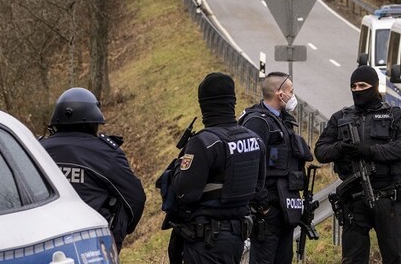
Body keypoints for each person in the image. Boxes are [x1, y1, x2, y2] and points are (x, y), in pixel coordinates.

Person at [315, 65, 401, 264]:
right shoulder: (341, 118)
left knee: (396, 258)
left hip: (388, 198)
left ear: (375, 87)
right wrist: (341, 148)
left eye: (363, 85)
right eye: (354, 86)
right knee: (353, 259)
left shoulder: (395, 115)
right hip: (354, 201)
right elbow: (320, 151)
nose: (358, 90)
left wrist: (370, 151)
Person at [168, 72, 267, 264]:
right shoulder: (255, 140)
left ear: (204, 105)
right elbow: (258, 187)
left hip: (206, 241)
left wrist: (176, 169)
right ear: (232, 101)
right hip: (237, 236)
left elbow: (184, 192)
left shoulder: (204, 143)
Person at [41, 87, 146, 251]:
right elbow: (135, 198)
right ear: (93, 122)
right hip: (92, 244)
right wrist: (119, 232)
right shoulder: (106, 153)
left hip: (43, 239)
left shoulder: (37, 148)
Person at [238, 72, 313, 264]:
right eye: (291, 92)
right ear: (280, 94)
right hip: (268, 211)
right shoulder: (258, 122)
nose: (293, 96)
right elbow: (248, 167)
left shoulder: (282, 121)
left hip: (285, 209)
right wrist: (264, 207)